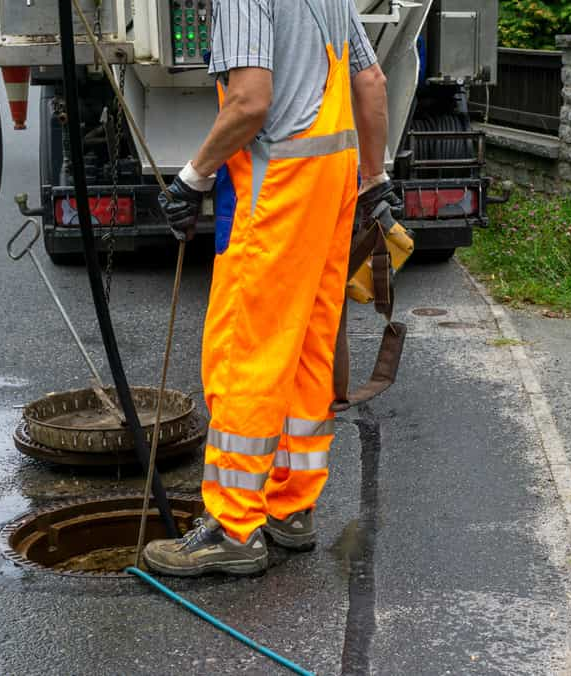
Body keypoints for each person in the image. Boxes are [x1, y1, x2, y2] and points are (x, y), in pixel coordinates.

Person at [144, 0, 396, 577]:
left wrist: (192, 176)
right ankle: (292, 507)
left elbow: (249, 102)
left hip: (277, 193)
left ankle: (233, 530)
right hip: (332, 186)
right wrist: (376, 178)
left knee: (246, 353)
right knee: (308, 347)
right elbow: (372, 80)